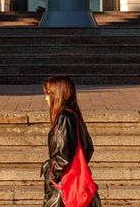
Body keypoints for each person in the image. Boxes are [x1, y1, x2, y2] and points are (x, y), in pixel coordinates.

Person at [41, 76, 100, 207]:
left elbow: (64, 156)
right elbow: (88, 147)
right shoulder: (74, 114)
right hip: (74, 183)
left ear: (58, 95)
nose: (46, 98)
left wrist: (50, 170)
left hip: (64, 187)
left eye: (48, 94)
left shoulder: (64, 118)